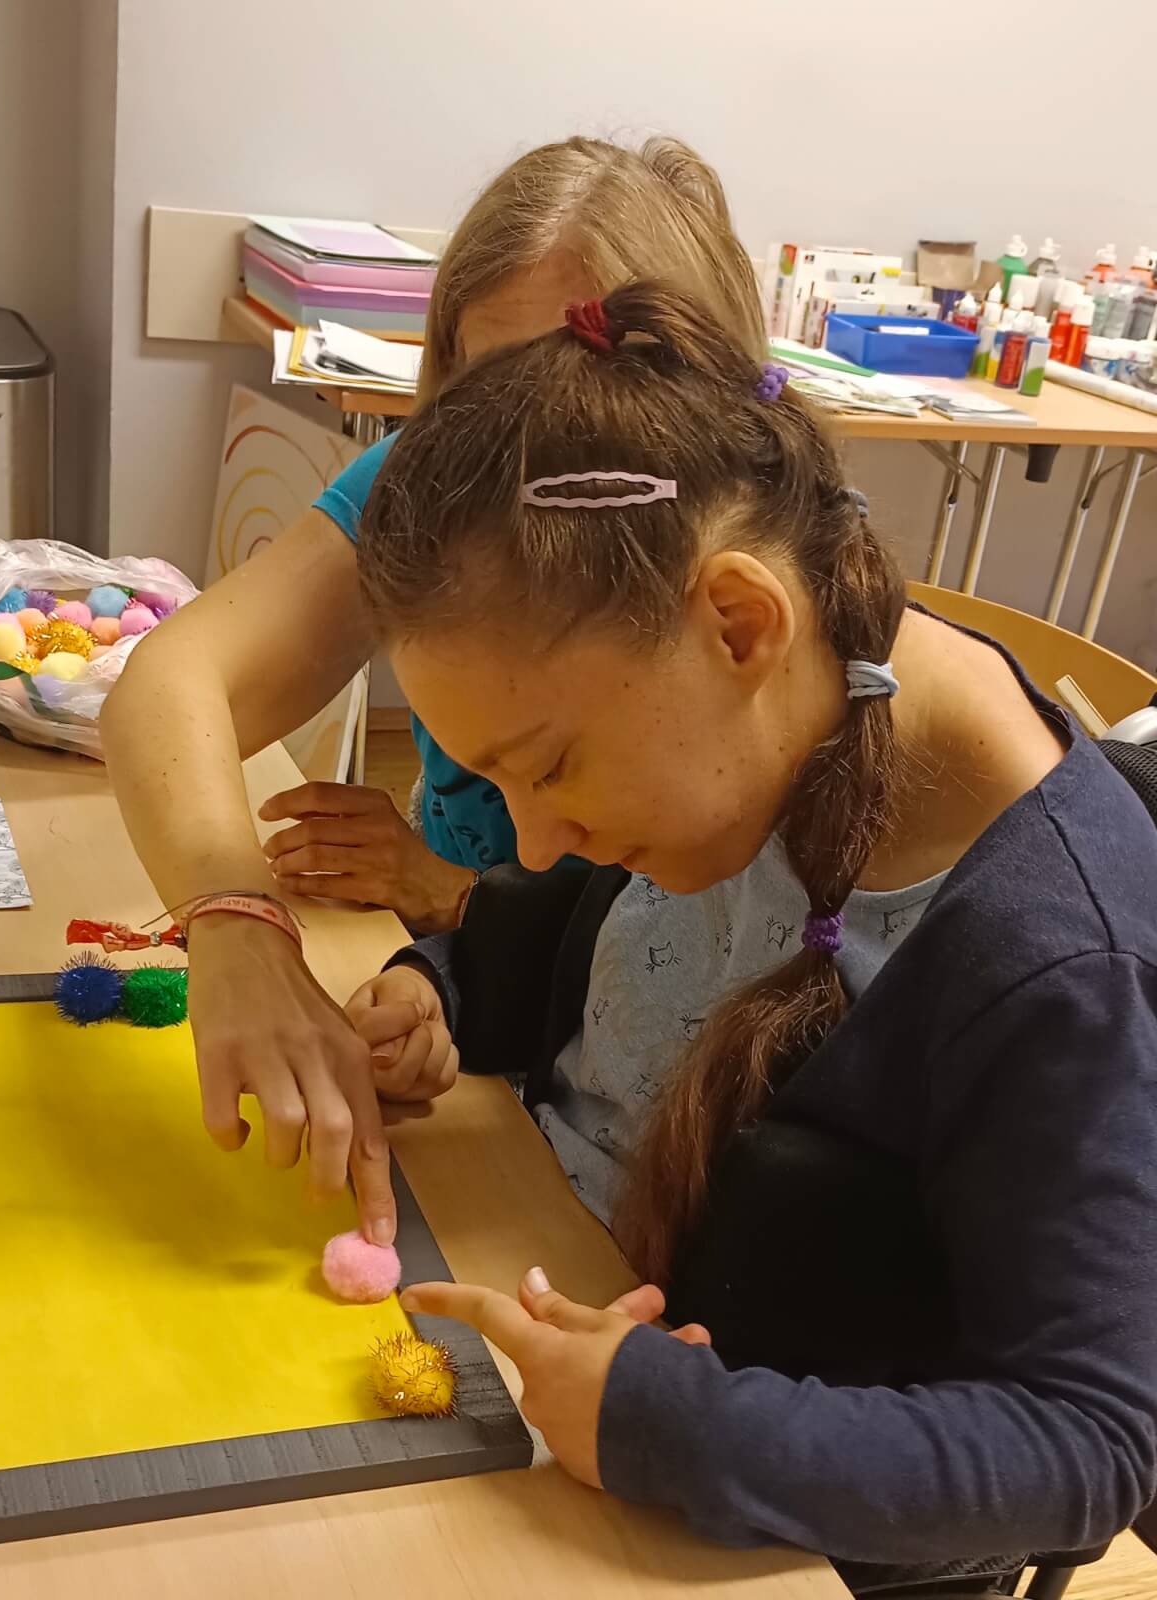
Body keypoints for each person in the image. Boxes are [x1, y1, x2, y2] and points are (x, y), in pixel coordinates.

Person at [341, 283, 1157, 1581]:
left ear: (738, 623)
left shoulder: (1056, 960)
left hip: (752, 1533)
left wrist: (666, 1423)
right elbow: (606, 949)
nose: (533, 840)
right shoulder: (762, 726)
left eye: (549, 766)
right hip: (554, 1314)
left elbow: (1085, 1450)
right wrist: (443, 984)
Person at [100, 136, 766, 1232]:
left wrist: (445, 896)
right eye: (477, 401)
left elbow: (662, 961)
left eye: (562, 400)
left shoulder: (721, 612)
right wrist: (245, 927)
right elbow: (169, 683)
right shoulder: (428, 497)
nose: (508, 470)